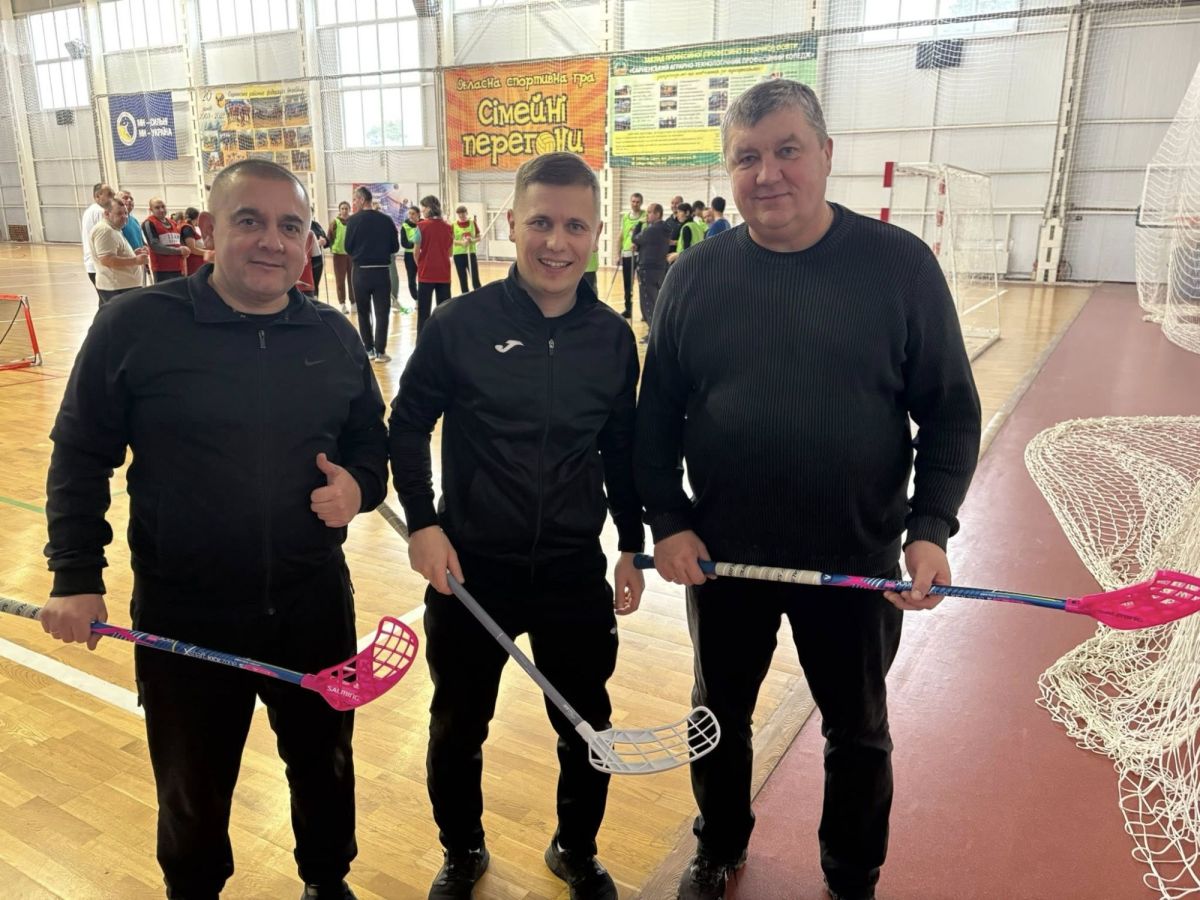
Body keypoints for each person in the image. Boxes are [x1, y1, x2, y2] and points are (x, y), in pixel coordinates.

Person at [634, 79, 982, 900]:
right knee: (717, 717)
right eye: (747, 158)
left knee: (858, 731)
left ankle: (852, 874)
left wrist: (930, 528)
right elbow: (654, 420)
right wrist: (669, 522)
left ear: (825, 154)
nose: (768, 174)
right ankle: (719, 846)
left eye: (787, 150)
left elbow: (950, 412)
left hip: (854, 558)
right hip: (726, 562)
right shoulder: (695, 275)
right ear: (729, 171)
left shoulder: (899, 265)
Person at [42, 158, 388, 900]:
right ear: (208, 228)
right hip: (186, 614)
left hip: (312, 606)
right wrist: (75, 574)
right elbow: (79, 453)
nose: (272, 241)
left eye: (290, 226)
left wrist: (359, 487)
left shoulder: (332, 335)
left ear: (309, 240)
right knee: (192, 787)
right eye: (250, 221)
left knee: (326, 764)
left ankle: (327, 882)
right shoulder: (136, 326)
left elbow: (370, 442)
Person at [389, 151, 643, 900]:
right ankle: (462, 850)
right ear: (511, 223)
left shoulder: (612, 339)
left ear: (598, 233)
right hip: (471, 571)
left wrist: (631, 544)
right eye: (540, 222)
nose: (556, 242)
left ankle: (576, 850)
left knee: (586, 724)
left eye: (575, 226)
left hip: (571, 569)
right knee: (457, 725)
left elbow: (621, 449)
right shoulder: (459, 325)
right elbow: (408, 423)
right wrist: (422, 523)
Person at [344, 186, 400, 363]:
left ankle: (368, 349)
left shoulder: (353, 221)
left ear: (362, 200)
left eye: (355, 200)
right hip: (381, 272)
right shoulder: (386, 220)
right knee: (382, 312)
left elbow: (348, 247)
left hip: (361, 272)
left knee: (363, 312)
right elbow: (395, 247)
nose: (354, 203)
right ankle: (380, 352)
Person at [88, 196, 149, 306]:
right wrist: (135, 260)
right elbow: (107, 260)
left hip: (123, 287)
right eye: (119, 213)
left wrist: (133, 254)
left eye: (125, 213)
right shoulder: (105, 230)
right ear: (107, 214)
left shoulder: (114, 229)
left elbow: (114, 254)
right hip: (117, 289)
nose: (124, 217)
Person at [414, 195, 453, 334]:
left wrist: (421, 265)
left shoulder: (421, 226)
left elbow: (416, 252)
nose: (422, 211)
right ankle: (444, 340)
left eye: (423, 208)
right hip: (444, 274)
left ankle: (421, 341)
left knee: (423, 312)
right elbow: (450, 253)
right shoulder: (449, 227)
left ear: (429, 208)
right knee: (444, 312)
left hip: (426, 274)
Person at [630, 202, 670, 340]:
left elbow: (635, 238)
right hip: (660, 269)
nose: (647, 215)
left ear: (657, 214)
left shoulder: (652, 230)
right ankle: (657, 332)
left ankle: (653, 334)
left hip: (648, 269)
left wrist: (638, 225)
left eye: (649, 212)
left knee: (648, 303)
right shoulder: (665, 229)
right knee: (656, 301)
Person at [141, 196, 190, 282]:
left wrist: (185, 250)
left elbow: (178, 242)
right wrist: (179, 251)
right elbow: (155, 246)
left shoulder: (173, 222)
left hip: (179, 267)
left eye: (163, 206)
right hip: (162, 270)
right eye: (157, 208)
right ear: (151, 209)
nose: (161, 210)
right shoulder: (149, 223)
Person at [81, 182, 115, 295]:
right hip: (99, 265)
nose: (113, 196)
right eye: (109, 194)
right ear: (97, 196)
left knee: (105, 299)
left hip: (94, 263)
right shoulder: (99, 212)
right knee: (110, 299)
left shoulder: (90, 211)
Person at [618, 194, 646, 319]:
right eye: (633, 201)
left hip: (640, 254)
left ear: (641, 203)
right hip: (627, 253)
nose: (635, 204)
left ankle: (645, 312)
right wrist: (618, 253)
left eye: (638, 202)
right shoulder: (625, 217)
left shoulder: (645, 216)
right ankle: (628, 309)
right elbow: (621, 236)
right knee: (627, 284)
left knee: (642, 283)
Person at [328, 200, 354, 314]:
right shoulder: (335, 222)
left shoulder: (353, 221)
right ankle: (342, 303)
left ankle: (353, 302)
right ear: (339, 210)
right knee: (340, 280)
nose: (344, 210)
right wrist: (328, 245)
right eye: (342, 208)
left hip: (351, 255)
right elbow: (329, 237)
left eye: (346, 208)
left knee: (352, 279)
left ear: (349, 209)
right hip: (339, 255)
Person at [451, 205, 482, 295]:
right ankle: (465, 297)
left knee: (475, 277)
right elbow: (451, 240)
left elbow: (479, 237)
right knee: (462, 278)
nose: (461, 216)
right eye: (459, 214)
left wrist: (472, 240)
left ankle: (479, 296)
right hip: (458, 255)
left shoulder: (472, 223)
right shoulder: (453, 225)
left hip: (471, 253)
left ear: (466, 213)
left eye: (463, 214)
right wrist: (461, 243)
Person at [179, 207, 211, 276]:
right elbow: (192, 249)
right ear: (197, 217)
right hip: (193, 264)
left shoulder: (190, 227)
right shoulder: (187, 228)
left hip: (196, 263)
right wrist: (209, 253)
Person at [400, 205, 421, 304]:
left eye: (413, 213)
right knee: (411, 279)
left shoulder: (423, 224)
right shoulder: (405, 226)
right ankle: (417, 299)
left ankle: (423, 297)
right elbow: (404, 243)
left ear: (418, 214)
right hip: (409, 256)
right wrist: (416, 243)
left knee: (423, 278)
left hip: (422, 255)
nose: (411, 216)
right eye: (409, 213)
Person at [310, 213, 329, 299]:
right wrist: (315, 243)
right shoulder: (300, 224)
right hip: (305, 262)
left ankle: (315, 300)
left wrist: (324, 241)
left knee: (315, 284)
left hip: (317, 262)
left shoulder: (316, 225)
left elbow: (326, 240)